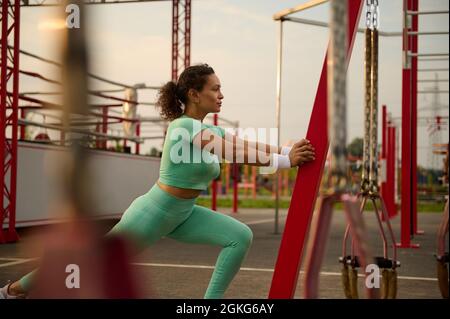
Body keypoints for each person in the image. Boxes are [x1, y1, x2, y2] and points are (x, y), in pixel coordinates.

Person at [1, 64, 315, 299]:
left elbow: (246, 145)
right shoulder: (183, 128)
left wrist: (287, 152)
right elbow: (231, 152)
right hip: (154, 213)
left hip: (185, 212)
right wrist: (285, 160)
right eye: (215, 88)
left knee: (239, 236)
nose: (221, 94)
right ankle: (13, 290)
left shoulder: (210, 128)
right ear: (194, 94)